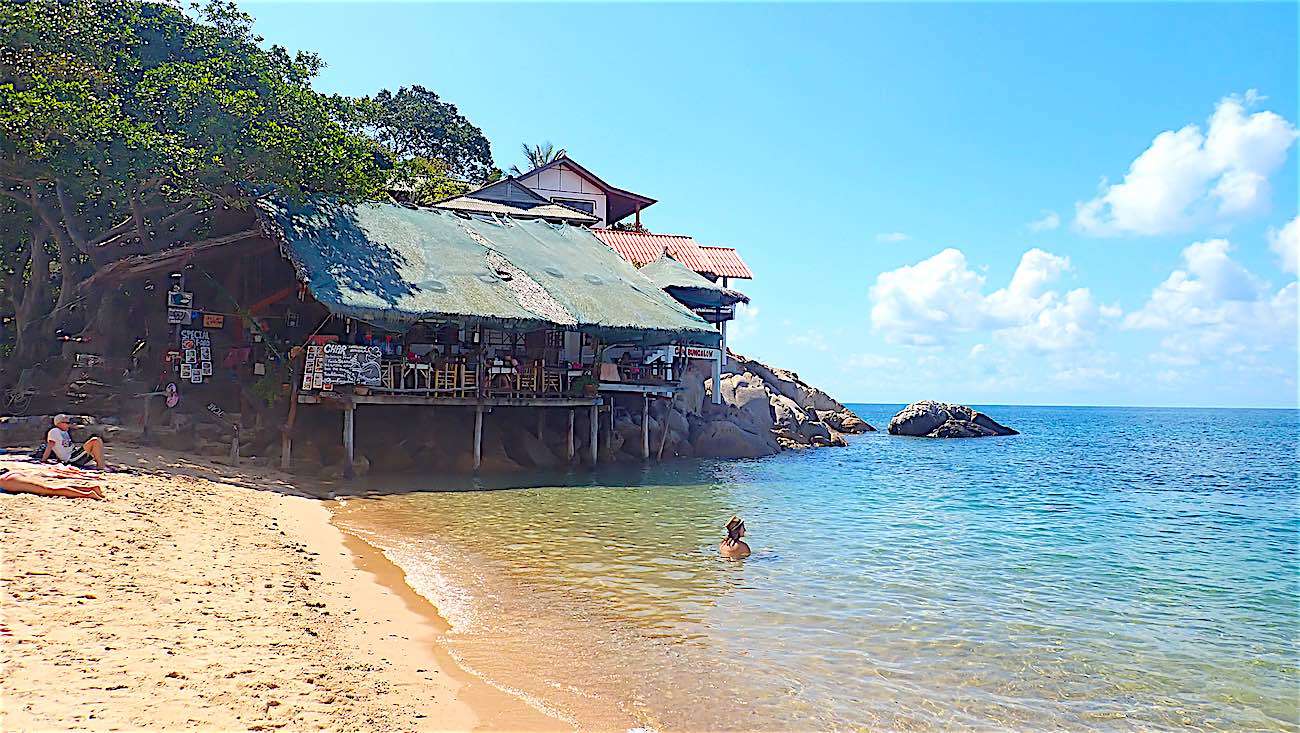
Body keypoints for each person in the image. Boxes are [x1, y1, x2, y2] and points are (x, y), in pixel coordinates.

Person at [42, 414, 107, 470]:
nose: (69, 425)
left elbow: (61, 447)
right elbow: (50, 445)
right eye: (67, 423)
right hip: (70, 458)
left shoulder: (64, 432)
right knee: (95, 441)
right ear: (59, 423)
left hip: (73, 454)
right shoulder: (54, 431)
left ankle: (101, 464)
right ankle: (100, 466)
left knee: (97, 441)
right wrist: (43, 461)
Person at [0, 467, 104, 499]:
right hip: (11, 474)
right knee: (50, 487)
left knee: (49, 490)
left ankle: (87, 494)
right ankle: (90, 489)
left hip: (7, 481)